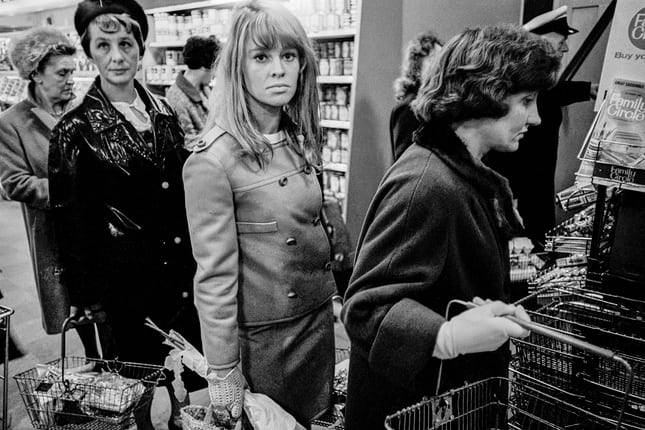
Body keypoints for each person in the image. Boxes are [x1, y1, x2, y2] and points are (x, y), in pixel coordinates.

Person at [341, 24, 561, 429]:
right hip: (408, 411)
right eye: (526, 100)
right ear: (486, 94)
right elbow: (366, 308)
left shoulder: (465, 174)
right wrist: (445, 336)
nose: (537, 117)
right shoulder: (427, 185)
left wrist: (484, 309)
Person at [48, 1, 202, 427]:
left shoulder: (164, 112)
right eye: (104, 45)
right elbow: (69, 219)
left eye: (125, 43)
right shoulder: (74, 130)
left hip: (181, 274)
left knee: (193, 378)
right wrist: (84, 296)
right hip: (125, 284)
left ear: (140, 49)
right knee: (136, 386)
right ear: (90, 53)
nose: (117, 56)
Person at [183, 0, 336, 425]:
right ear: (238, 68)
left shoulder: (298, 136)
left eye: (289, 56)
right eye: (262, 57)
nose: (279, 69)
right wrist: (223, 370)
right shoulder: (212, 161)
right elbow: (213, 277)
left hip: (317, 323)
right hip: (268, 342)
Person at [0, 27, 100, 358]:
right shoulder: (12, 122)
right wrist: (68, 188)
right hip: (55, 232)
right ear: (36, 74)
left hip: (98, 225)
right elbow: (13, 181)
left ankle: (115, 364)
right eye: (63, 72)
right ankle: (94, 361)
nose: (72, 79)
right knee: (75, 303)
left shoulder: (86, 108)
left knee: (106, 302)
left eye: (73, 70)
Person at [485, 6, 598, 247]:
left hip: (538, 184)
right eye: (561, 42)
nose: (566, 48)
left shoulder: (544, 86)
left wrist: (588, 88)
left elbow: (554, 92)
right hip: (517, 188)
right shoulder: (513, 82)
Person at [390, 30, 442, 161]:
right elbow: (405, 162)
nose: (440, 67)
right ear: (417, 66)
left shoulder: (433, 102)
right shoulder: (408, 107)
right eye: (433, 60)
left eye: (442, 60)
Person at [166, 35, 220, 148]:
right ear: (204, 68)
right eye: (215, 68)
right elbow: (188, 144)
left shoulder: (204, 89)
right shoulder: (177, 98)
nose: (215, 74)